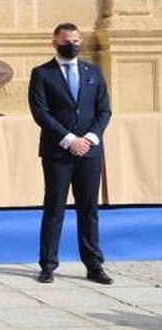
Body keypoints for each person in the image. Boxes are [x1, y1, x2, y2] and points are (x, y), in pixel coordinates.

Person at [28, 23, 113, 285]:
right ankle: (48, 265)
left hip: (89, 152)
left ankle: (94, 264)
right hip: (58, 153)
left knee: (88, 209)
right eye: (67, 41)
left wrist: (89, 138)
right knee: (54, 208)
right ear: (55, 42)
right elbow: (41, 112)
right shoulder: (42, 73)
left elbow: (104, 110)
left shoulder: (93, 72)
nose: (72, 45)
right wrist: (68, 140)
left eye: (76, 41)